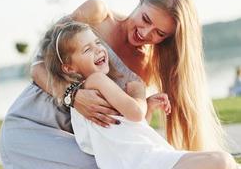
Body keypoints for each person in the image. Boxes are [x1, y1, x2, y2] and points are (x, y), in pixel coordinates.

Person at [0, 0, 231, 168]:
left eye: (159, 33)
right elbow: (39, 65)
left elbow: (126, 126)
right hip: (29, 126)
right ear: (140, 0)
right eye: (146, 19)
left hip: (80, 143)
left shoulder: (145, 68)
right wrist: (73, 96)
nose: (145, 33)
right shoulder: (97, 14)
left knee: (118, 161)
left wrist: (146, 107)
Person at [42, 21, 238, 169]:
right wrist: (139, 92)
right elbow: (135, 112)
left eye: (96, 42)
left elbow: (131, 128)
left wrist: (148, 108)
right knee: (222, 161)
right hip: (143, 162)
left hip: (138, 161)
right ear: (69, 68)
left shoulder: (89, 97)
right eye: (87, 49)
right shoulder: (96, 82)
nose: (98, 50)